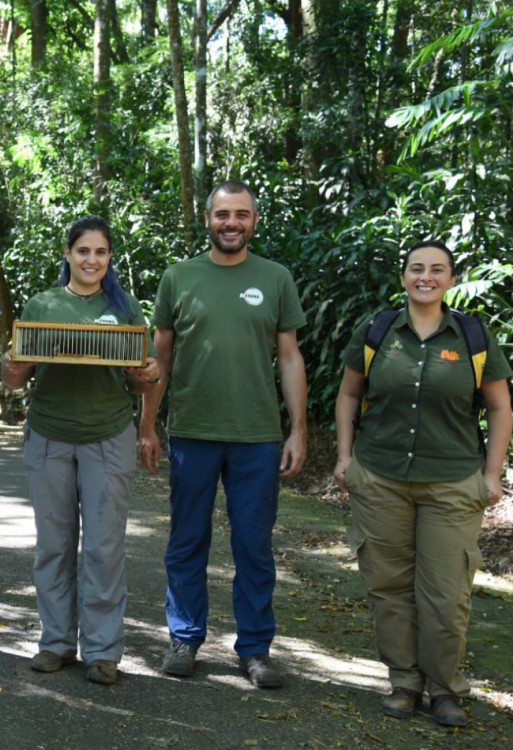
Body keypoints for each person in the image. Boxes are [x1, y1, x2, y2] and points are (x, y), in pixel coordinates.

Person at [333, 240, 513, 727]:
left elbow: (500, 408)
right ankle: (404, 682)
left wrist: (491, 475)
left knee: (446, 593)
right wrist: (346, 458)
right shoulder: (378, 330)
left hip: (453, 483)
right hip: (381, 478)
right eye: (417, 269)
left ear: (451, 280)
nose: (426, 277)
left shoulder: (473, 335)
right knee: (389, 587)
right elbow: (349, 395)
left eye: (437, 270)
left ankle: (446, 690)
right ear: (404, 277)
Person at [138, 179, 307, 689]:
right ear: (207, 219)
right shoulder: (179, 277)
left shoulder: (275, 278)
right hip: (192, 432)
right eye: (222, 215)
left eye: (241, 215)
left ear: (255, 221)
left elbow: (290, 356)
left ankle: (254, 649)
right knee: (187, 541)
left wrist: (298, 429)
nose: (231, 223)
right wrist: (147, 425)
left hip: (257, 436)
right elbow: (159, 357)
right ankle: (184, 639)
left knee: (253, 546)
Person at [0, 216, 159, 686]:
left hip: (108, 437)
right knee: (53, 545)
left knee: (104, 548)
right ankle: (55, 643)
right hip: (49, 435)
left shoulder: (125, 306)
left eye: (101, 252)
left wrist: (148, 375)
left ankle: (104, 651)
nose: (92, 260)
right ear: (68, 254)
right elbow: (15, 379)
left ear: (109, 258)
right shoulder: (42, 305)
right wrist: (12, 366)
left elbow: (139, 377)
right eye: (83, 251)